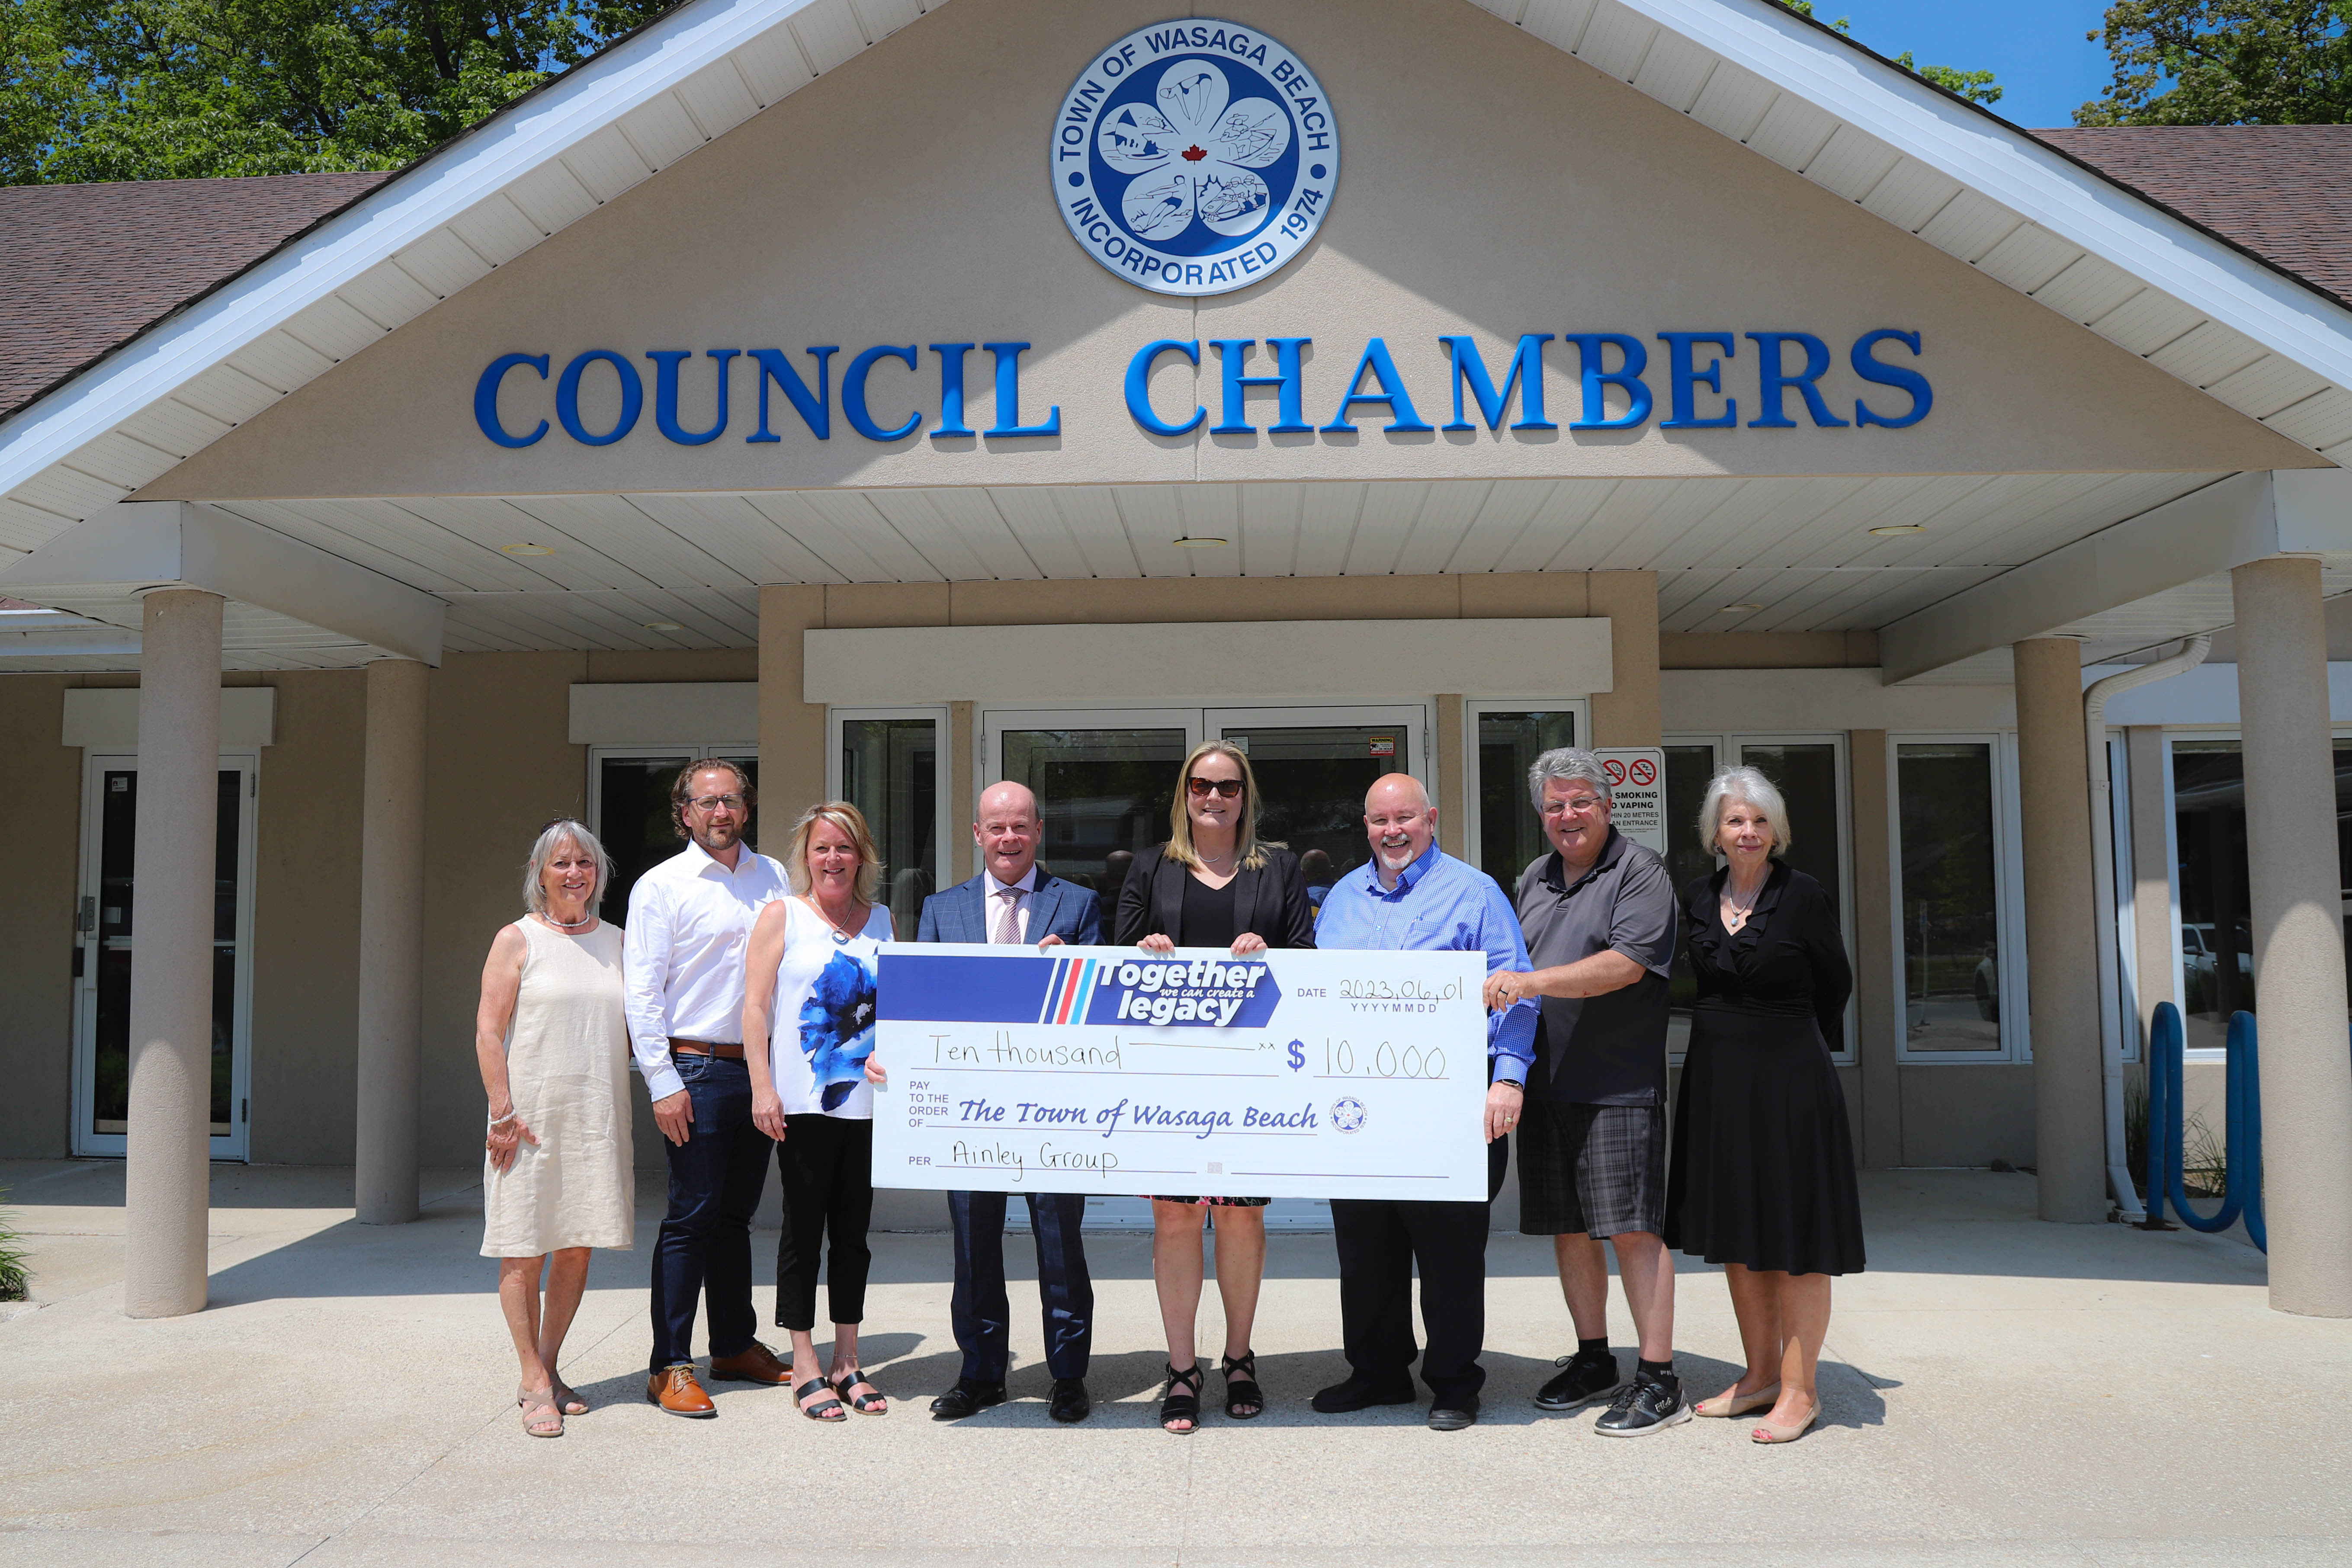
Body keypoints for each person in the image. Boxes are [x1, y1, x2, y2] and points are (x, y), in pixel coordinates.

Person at [1310, 773, 1537, 1432]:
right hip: (1359, 1112)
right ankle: (1378, 1372)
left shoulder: (1474, 892)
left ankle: (1454, 1383)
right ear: (1366, 825)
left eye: (1405, 817)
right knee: (1366, 1249)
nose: (1392, 831)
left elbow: (1517, 990)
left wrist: (1510, 1077)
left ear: (1430, 818)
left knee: (1449, 1255)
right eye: (1380, 820)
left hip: (1453, 1111)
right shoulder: (1343, 899)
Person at [1114, 738, 1317, 1434]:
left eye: (1228, 786)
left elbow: (1307, 964)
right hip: (1167, 1079)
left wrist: (1275, 956)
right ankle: (1181, 1367)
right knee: (1174, 1215)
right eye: (1201, 785)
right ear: (1184, 793)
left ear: (1245, 796)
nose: (1214, 797)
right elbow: (1115, 967)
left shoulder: (1279, 868)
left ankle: (1236, 1357)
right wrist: (1143, 951)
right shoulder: (1150, 868)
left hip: (1249, 1078)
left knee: (1239, 1214)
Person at [1482, 747, 1686, 1437]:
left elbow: (1626, 965)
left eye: (1579, 802)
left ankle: (1659, 1376)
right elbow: (1501, 962)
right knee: (1569, 1230)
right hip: (1547, 1083)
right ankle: (1594, 1357)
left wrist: (1532, 982)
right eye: (1553, 805)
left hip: (1617, 1085)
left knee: (1631, 1230)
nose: (1566, 816)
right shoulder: (1533, 878)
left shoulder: (1640, 871)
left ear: (1605, 805)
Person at [1662, 766, 1863, 1445]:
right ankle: (1758, 1377)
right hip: (1718, 1078)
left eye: (1758, 820)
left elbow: (1835, 980)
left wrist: (1795, 1044)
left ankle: (1801, 1390)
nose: (1746, 831)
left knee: (1797, 1241)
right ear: (1714, 834)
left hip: (1788, 1078)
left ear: (1775, 830)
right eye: (1733, 820)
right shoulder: (1696, 895)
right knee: (1740, 1239)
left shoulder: (1802, 895)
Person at [910, 780, 1104, 1424]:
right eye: (996, 827)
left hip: (1054, 1111)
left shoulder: (1077, 904)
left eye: (1020, 826)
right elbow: (924, 1009)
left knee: (1060, 1245)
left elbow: (1100, 1005)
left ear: (1038, 830)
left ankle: (1069, 1375)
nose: (1009, 838)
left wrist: (1070, 965)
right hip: (967, 1112)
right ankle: (981, 1372)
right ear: (977, 834)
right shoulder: (942, 910)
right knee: (973, 1248)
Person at [623, 759, 795, 1417]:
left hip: (760, 1070)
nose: (721, 812)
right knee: (691, 1219)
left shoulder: (774, 876)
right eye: (707, 802)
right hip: (693, 1068)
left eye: (732, 800)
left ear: (746, 808)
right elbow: (641, 992)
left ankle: (731, 1343)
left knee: (734, 1217)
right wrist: (662, 1082)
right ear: (685, 813)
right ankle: (669, 1364)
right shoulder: (660, 886)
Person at [476, 819, 635, 1437]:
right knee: (523, 1247)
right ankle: (532, 1377)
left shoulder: (619, 941)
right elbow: (489, 1030)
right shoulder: (517, 939)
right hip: (527, 1120)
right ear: (540, 873)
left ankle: (546, 1369)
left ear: (599, 873)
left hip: (593, 1119)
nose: (575, 874)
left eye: (586, 863)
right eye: (562, 863)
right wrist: (501, 1112)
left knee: (574, 1244)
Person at [744, 802, 894, 1422]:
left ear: (862, 856)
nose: (833, 858)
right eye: (821, 848)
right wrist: (762, 1086)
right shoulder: (781, 915)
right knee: (803, 1232)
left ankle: (847, 1359)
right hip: (802, 1103)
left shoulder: (882, 919)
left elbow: (899, 1007)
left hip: (867, 1104)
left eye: (844, 847)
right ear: (805, 855)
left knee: (853, 1236)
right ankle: (804, 1360)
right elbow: (753, 1007)